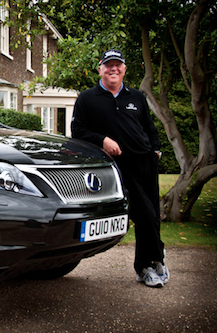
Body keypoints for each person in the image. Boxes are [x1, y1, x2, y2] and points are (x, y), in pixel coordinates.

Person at [71, 49, 169, 288]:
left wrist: (155, 151)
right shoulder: (87, 98)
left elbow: (149, 128)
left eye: (118, 65)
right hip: (119, 166)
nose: (113, 69)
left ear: (124, 69)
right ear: (100, 69)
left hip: (146, 162)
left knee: (153, 216)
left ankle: (149, 262)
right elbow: (78, 132)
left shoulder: (136, 96)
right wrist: (102, 139)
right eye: (108, 65)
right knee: (144, 214)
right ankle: (150, 262)